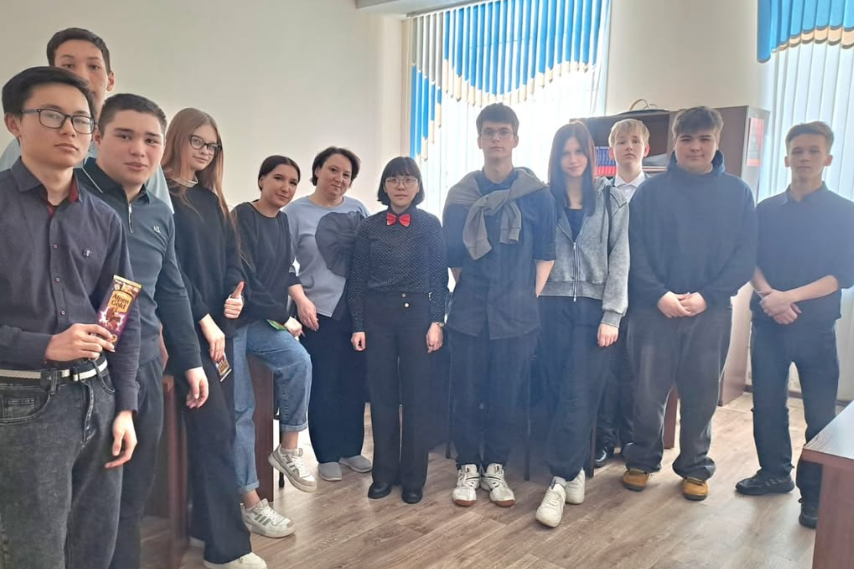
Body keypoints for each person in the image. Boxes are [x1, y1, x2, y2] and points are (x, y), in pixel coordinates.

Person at [0, 66, 139, 569]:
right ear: (15, 123)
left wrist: (125, 406)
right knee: (34, 553)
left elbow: (122, 313)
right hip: (20, 401)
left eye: (81, 120)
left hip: (98, 399)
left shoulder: (105, 218)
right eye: (51, 115)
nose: (69, 130)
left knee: (93, 548)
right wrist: (42, 345)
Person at [76, 93, 212, 569]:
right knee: (86, 502)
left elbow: (172, 289)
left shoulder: (159, 212)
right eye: (125, 136)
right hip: (86, 371)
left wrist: (191, 361)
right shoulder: (72, 196)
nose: (139, 150)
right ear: (97, 138)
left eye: (151, 140)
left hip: (146, 366)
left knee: (133, 493)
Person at [622, 106, 757, 501]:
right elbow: (634, 251)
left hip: (710, 311)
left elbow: (745, 256)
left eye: (704, 139)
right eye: (686, 139)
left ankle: (695, 466)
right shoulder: (650, 192)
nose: (695, 147)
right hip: (653, 309)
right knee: (647, 393)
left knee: (701, 395)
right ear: (674, 142)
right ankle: (641, 460)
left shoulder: (738, 193)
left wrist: (707, 297)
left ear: (716, 142)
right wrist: (659, 295)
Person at [735, 121, 854, 529]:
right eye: (798, 151)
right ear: (786, 158)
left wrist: (790, 297)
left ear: (828, 158)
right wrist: (771, 296)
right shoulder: (766, 209)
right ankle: (774, 473)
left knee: (820, 415)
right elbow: (749, 260)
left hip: (815, 327)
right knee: (767, 404)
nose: (805, 158)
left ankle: (815, 495)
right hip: (768, 323)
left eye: (813, 151)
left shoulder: (845, 212)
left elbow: (843, 275)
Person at [162, 108, 266, 569]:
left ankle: (207, 529)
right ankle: (227, 551)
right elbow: (171, 271)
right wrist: (205, 319)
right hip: (184, 333)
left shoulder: (212, 199)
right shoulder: (160, 195)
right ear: (178, 139)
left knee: (216, 435)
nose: (205, 151)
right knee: (216, 434)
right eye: (197, 142)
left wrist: (234, 297)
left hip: (218, 334)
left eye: (213, 145)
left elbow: (231, 258)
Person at [443, 103, 556, 508]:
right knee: (466, 394)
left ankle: (495, 467)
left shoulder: (537, 196)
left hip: (517, 316)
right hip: (469, 313)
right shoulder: (460, 196)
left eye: (503, 132)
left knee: (507, 394)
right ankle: (467, 466)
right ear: (479, 140)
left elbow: (546, 254)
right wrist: (478, 291)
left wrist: (526, 295)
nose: (496, 138)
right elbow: (455, 259)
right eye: (489, 132)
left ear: (515, 139)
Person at [535, 122, 629, 527]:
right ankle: (574, 472)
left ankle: (558, 481)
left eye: (579, 152)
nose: (572, 160)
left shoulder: (611, 199)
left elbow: (621, 258)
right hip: (550, 306)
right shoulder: (545, 200)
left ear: (591, 155)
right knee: (557, 391)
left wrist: (612, 315)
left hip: (593, 310)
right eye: (565, 153)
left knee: (578, 392)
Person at [349, 156, 448, 504]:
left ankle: (413, 479)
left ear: (418, 186)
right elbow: (357, 280)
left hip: (417, 315)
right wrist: (358, 325)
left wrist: (437, 321)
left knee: (417, 397)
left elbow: (439, 278)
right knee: (382, 397)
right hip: (377, 315)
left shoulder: (430, 225)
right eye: (393, 180)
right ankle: (383, 474)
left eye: (408, 179)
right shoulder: (369, 227)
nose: (401, 186)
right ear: (384, 186)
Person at [231, 155, 314, 537]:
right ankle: (251, 502)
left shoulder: (282, 222)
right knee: (242, 411)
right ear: (262, 179)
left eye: (293, 182)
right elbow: (246, 278)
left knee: (299, 361)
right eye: (279, 178)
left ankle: (288, 449)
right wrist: (284, 316)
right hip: (235, 323)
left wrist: (296, 305)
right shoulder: (241, 216)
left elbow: (284, 271)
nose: (286, 187)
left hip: (263, 322)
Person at [0, 28, 171, 209]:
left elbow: (156, 214)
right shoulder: (24, 144)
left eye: (94, 67)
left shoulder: (139, 150)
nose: (81, 76)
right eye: (68, 66)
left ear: (110, 80)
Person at [285, 146, 372, 482]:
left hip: (357, 311)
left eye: (346, 174)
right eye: (333, 170)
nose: (339, 178)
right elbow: (282, 264)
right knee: (324, 383)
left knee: (354, 382)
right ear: (318, 170)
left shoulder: (358, 209)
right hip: (317, 311)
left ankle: (351, 449)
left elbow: (370, 257)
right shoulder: (295, 212)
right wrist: (300, 300)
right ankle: (326, 454)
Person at [594, 118, 650, 467]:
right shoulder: (601, 193)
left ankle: (631, 438)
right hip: (608, 295)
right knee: (607, 371)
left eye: (635, 141)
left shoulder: (655, 194)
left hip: (645, 298)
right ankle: (604, 437)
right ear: (611, 150)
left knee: (636, 373)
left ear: (646, 148)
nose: (628, 147)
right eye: (621, 142)